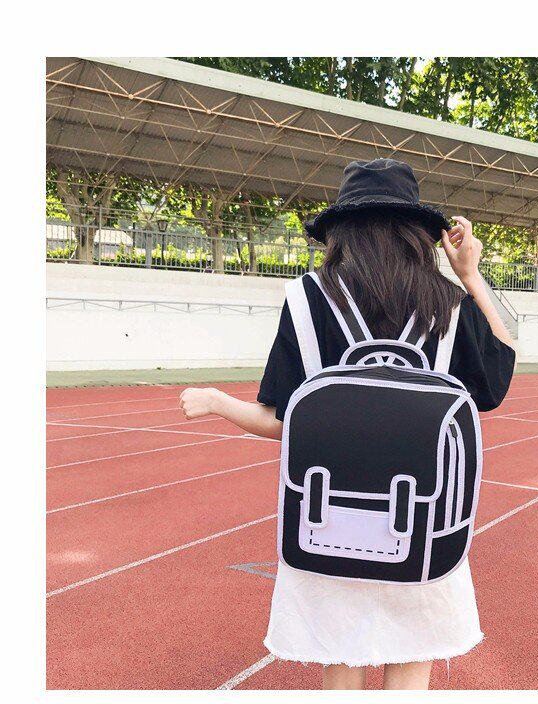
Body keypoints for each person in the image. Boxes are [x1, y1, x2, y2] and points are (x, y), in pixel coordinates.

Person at [179, 159, 516, 690]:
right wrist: (470, 275)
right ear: (417, 232)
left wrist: (218, 401)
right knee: (411, 668)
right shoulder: (448, 303)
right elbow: (495, 383)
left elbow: (283, 423)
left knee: (340, 664)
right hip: (425, 526)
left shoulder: (306, 299)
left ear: (339, 231)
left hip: (327, 522)